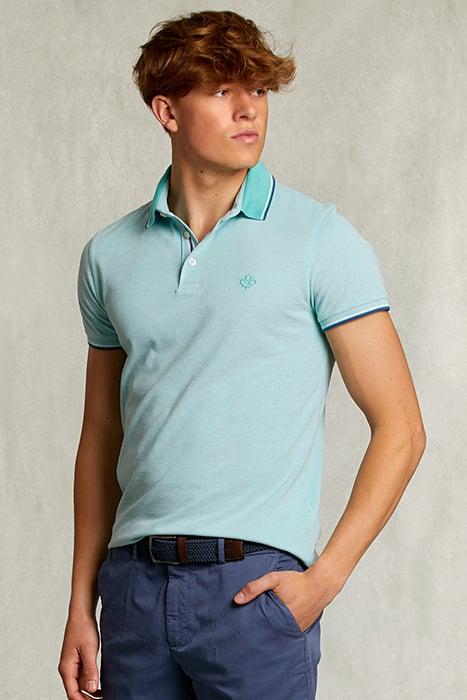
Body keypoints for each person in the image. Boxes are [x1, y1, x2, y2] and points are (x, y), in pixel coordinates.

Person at [58, 9, 426, 700]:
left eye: (256, 89)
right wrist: (82, 604)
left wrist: (322, 582)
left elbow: (401, 428)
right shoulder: (108, 255)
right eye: (222, 90)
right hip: (133, 591)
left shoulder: (319, 238)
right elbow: (101, 435)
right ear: (167, 111)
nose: (248, 108)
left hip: (252, 595)